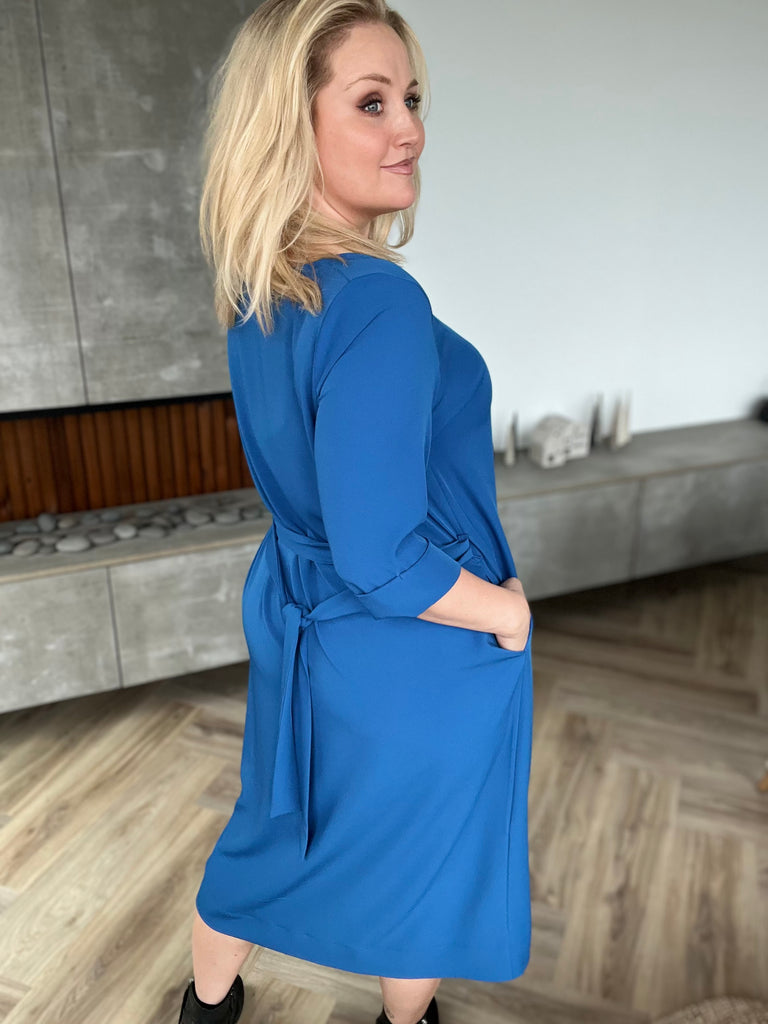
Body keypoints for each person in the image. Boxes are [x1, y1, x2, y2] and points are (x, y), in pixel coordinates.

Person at [177, 1, 534, 1022]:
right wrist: (506, 613)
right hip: (408, 640)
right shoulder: (378, 301)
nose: (409, 127)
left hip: (301, 610)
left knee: (271, 830)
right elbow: (382, 557)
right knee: (420, 860)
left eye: (411, 98)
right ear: (292, 124)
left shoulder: (264, 286)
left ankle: (206, 1009)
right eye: (371, 102)